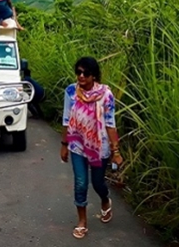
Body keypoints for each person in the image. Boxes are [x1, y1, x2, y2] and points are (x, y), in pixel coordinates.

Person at [60, 56, 123, 239]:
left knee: (98, 183)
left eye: (85, 73)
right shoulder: (71, 92)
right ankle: (82, 222)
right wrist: (64, 144)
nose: (81, 76)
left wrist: (116, 151)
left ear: (93, 75)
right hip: (77, 144)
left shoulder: (106, 95)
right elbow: (66, 119)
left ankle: (105, 200)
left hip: (99, 146)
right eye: (78, 72)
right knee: (80, 182)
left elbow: (111, 123)